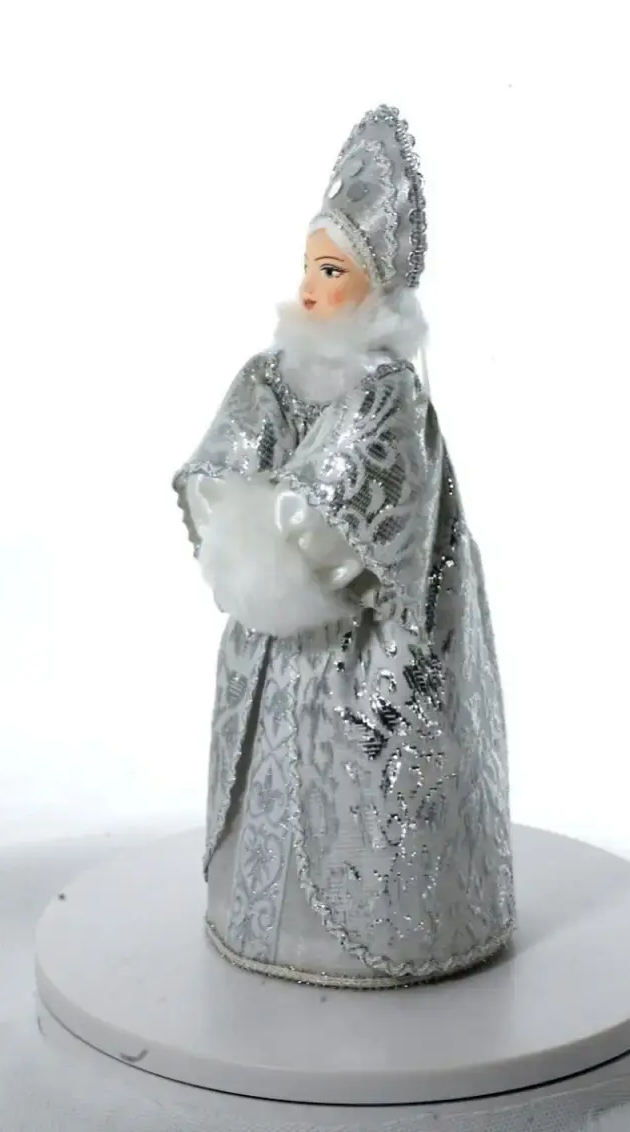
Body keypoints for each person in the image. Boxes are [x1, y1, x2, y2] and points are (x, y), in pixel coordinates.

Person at [173, 104, 515, 987]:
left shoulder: (389, 393)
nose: (310, 291)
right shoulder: (271, 375)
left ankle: (392, 931)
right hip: (272, 650)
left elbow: (331, 517)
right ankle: (260, 916)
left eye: (332, 271)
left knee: (362, 775)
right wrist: (235, 520)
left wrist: (272, 528)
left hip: (365, 651)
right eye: (308, 268)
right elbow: (218, 467)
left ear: (377, 291)